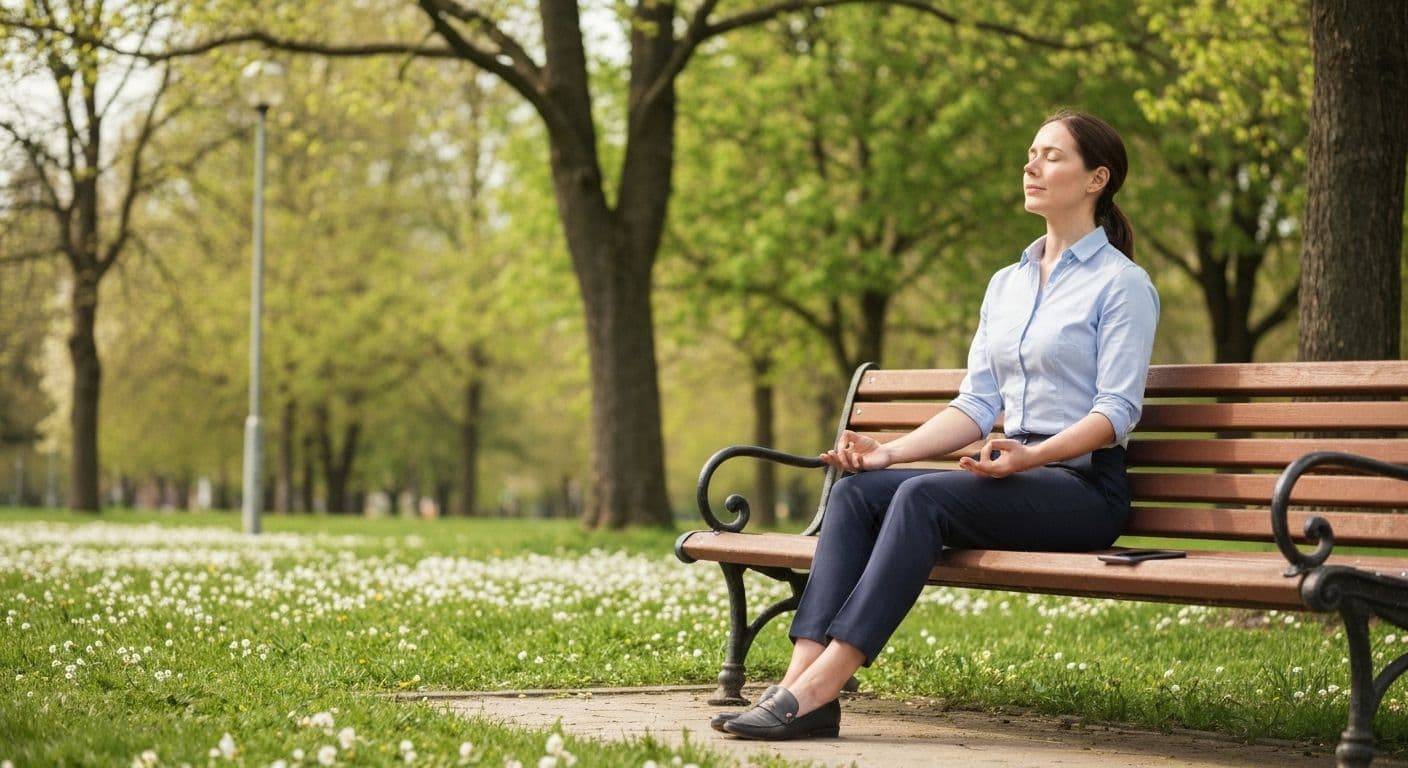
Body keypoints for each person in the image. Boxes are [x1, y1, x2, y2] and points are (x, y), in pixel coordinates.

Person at [715, 110, 1160, 741]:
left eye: (1051, 156)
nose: (1030, 166)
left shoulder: (1123, 285)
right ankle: (801, 678)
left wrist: (1029, 459)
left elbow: (1116, 413)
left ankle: (823, 686)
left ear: (1097, 179)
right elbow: (976, 404)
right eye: (1030, 153)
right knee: (859, 491)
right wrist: (886, 453)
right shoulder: (1006, 285)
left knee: (924, 496)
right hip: (1013, 477)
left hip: (1083, 491)